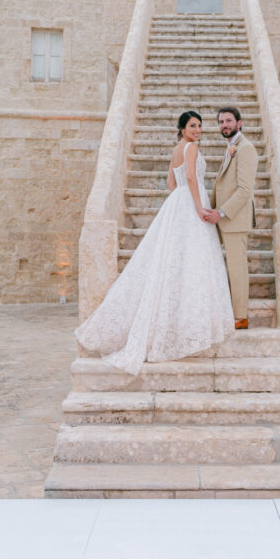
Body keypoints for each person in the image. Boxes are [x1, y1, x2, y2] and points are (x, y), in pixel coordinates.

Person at [75, 110, 234, 375]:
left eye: (200, 126)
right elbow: (192, 178)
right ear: (183, 128)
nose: (197, 130)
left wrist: (181, 199)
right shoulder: (192, 147)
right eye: (193, 126)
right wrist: (197, 206)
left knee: (173, 260)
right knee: (192, 261)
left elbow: (172, 182)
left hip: (177, 204)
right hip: (192, 204)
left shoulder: (177, 149)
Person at [204, 106, 259, 330]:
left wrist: (221, 212)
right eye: (221, 121)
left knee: (237, 269)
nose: (224, 125)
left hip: (233, 219)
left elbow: (245, 190)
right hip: (223, 219)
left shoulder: (245, 149)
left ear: (239, 122)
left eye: (228, 121)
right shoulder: (231, 147)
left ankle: (240, 316)